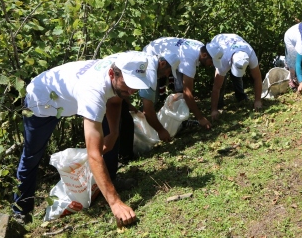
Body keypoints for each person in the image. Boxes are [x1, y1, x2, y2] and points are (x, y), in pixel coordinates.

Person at [13, 51, 179, 227]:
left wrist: (114, 133)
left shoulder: (121, 68)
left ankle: (109, 181)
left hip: (66, 98)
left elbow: (115, 101)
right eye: (128, 85)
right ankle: (21, 210)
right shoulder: (93, 90)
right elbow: (94, 154)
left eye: (136, 85)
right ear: (112, 74)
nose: (131, 91)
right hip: (41, 103)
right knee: (31, 156)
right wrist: (116, 204)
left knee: (109, 133)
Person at [142, 37, 214, 129]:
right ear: (204, 55)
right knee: (151, 98)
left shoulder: (201, 47)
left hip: (169, 58)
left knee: (180, 90)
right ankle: (148, 126)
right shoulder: (189, 59)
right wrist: (200, 118)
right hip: (153, 54)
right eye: (211, 61)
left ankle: (178, 121)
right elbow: (187, 93)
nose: (211, 65)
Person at [206, 34, 262, 121]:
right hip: (218, 42)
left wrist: (258, 100)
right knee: (221, 81)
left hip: (235, 41)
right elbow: (216, 87)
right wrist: (214, 110)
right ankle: (219, 105)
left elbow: (257, 78)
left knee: (237, 77)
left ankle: (241, 97)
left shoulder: (250, 53)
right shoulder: (222, 60)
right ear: (231, 60)